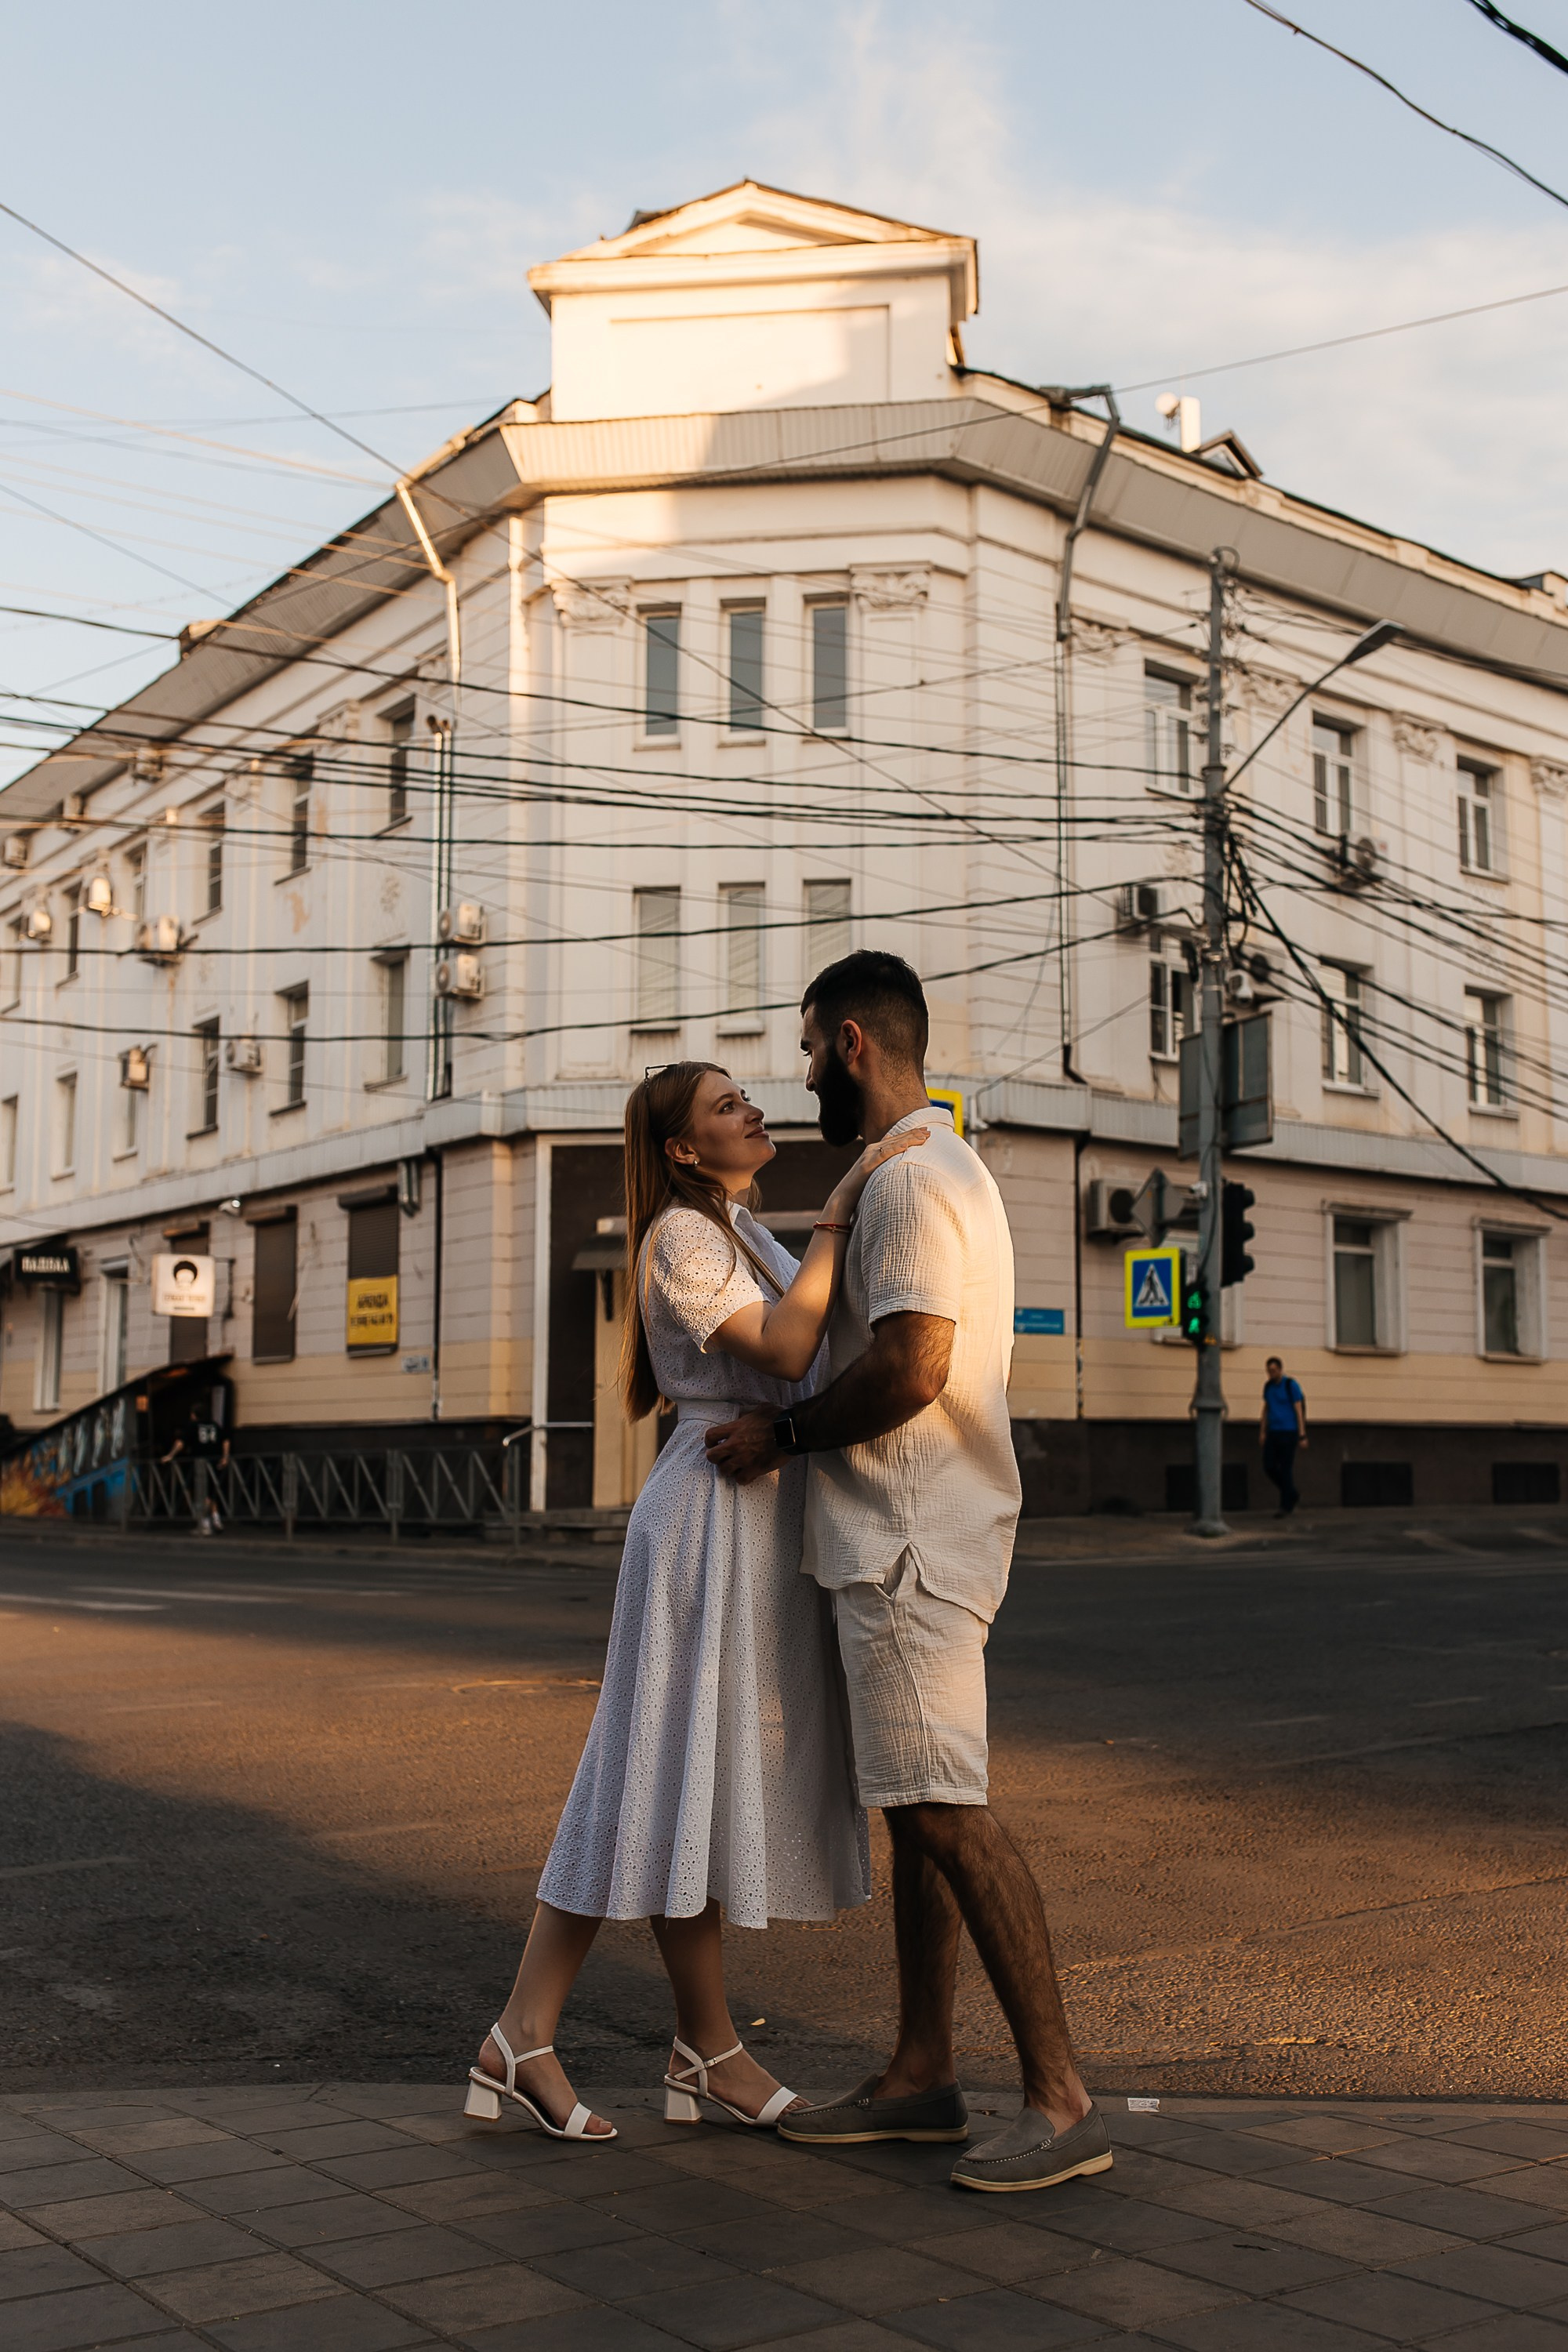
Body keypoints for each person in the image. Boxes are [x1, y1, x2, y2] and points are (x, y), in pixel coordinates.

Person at [705, 952, 1109, 2198]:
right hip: (911, 1534)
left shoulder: (915, 1183)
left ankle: (1061, 2098)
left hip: (909, 1541)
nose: (804, 1073)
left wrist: (782, 1433)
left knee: (946, 1810)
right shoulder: (923, 1171)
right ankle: (921, 2075)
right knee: (920, 1809)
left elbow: (913, 1366)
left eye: (812, 1048)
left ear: (853, 1044)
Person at [463, 1062, 923, 2143]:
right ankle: (547, 2037)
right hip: (705, 1518)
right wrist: (843, 1212)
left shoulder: (736, 1226)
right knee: (650, 1769)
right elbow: (786, 1347)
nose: (752, 1111)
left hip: (750, 1518)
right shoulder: (680, 1233)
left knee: (689, 1780)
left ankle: (687, 2049)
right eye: (726, 1106)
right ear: (681, 1147)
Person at [162, 1392, 230, 1536]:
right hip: (215, 1461)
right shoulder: (214, 1425)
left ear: (194, 1414)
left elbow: (181, 1443)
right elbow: (226, 1440)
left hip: (200, 1463)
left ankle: (205, 1523)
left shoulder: (193, 1426)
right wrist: (225, 1457)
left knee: (201, 1493)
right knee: (211, 1493)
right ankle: (216, 1519)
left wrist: (170, 1455)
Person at [1259, 1355, 1307, 1517]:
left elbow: (1298, 1409)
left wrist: (1302, 1434)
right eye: (1268, 1371)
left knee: (1285, 1469)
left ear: (1280, 1369)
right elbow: (1266, 1409)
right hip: (1273, 1432)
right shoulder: (1268, 1387)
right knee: (1269, 1466)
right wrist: (1262, 1431)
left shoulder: (1290, 1385)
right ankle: (1292, 1493)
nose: (1271, 1374)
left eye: (1273, 1370)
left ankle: (1285, 1506)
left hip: (1289, 1432)